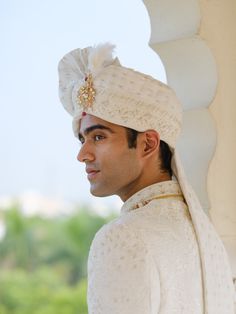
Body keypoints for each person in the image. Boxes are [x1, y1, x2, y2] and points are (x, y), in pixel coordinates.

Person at [58, 43, 235, 313]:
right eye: (82, 139)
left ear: (148, 144)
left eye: (98, 137)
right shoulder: (201, 235)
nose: (83, 154)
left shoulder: (122, 236)